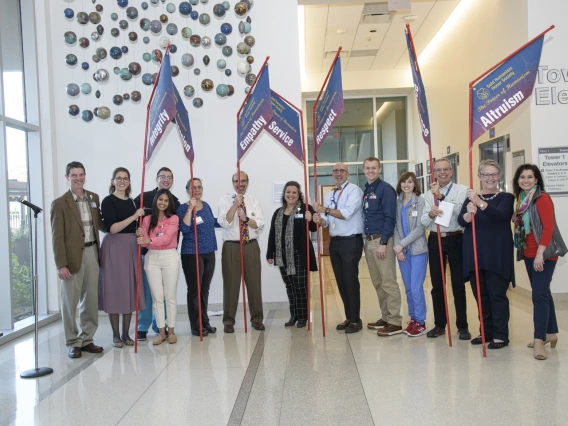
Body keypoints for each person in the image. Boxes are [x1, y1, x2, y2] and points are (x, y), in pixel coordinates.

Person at [50, 161, 105, 359]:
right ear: (67, 178)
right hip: (72, 257)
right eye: (74, 175)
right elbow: (57, 237)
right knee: (70, 301)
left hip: (92, 253)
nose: (78, 179)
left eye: (81, 175)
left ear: (85, 175)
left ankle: (87, 339)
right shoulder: (60, 203)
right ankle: (73, 342)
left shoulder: (93, 198)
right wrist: (61, 264)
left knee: (90, 300)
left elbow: (100, 224)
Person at [458, 160, 515, 349]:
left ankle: (500, 335)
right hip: (476, 253)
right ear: (479, 176)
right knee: (481, 296)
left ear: (499, 176)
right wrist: (468, 213)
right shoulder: (471, 198)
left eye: (494, 174)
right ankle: (486, 331)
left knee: (497, 295)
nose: (490, 178)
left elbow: (501, 216)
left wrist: (479, 202)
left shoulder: (506, 197)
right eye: (486, 174)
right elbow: (462, 220)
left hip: (497, 255)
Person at [512, 164, 567, 360]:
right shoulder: (520, 201)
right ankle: (551, 332)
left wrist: (540, 254)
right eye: (522, 177)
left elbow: (548, 227)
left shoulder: (542, 198)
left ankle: (538, 340)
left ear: (536, 180)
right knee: (543, 293)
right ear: (518, 180)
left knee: (538, 296)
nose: (525, 180)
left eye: (530, 177)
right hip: (528, 252)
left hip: (544, 253)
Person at [421, 158, 471, 340]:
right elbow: (424, 222)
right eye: (439, 170)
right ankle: (440, 324)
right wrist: (430, 214)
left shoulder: (461, 190)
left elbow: (460, 212)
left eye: (445, 169)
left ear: (451, 171)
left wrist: (442, 198)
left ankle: (462, 326)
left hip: (456, 238)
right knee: (437, 285)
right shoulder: (428, 195)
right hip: (436, 240)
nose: (442, 173)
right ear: (434, 172)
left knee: (458, 285)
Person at [313, 162, 365, 333]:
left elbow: (347, 214)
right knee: (341, 282)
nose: (338, 173)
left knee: (350, 281)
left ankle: (356, 320)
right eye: (335, 170)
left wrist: (324, 210)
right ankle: (349, 317)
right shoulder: (330, 194)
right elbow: (326, 220)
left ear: (347, 174)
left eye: (342, 170)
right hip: (335, 243)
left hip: (351, 242)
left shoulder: (354, 191)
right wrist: (318, 219)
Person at [99, 167, 146, 348]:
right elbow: (112, 228)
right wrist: (134, 217)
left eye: (125, 178)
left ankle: (126, 334)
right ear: (113, 181)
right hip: (114, 248)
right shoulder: (108, 201)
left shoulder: (132, 202)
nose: (122, 181)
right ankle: (115, 335)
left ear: (129, 181)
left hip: (131, 247)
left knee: (128, 290)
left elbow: (130, 227)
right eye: (118, 178)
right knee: (114, 290)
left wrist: (137, 229)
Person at [134, 167, 180, 341]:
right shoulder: (144, 203)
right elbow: (141, 229)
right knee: (153, 295)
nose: (166, 180)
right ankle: (150, 328)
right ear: (157, 178)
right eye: (163, 177)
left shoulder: (174, 208)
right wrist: (140, 235)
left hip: (168, 255)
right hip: (150, 256)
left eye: (169, 177)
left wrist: (149, 240)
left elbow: (169, 236)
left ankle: (168, 329)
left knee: (169, 296)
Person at [218, 171, 265, 333]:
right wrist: (234, 205)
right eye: (237, 181)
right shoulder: (224, 200)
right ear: (232, 183)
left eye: (243, 181)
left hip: (250, 245)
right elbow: (224, 222)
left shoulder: (253, 201)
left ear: (248, 182)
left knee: (254, 284)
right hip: (231, 246)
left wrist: (245, 218)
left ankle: (257, 319)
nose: (240, 184)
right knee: (231, 285)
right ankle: (228, 321)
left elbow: (259, 224)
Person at [267, 181, 317, 328]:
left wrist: (311, 218)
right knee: (290, 286)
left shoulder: (306, 209)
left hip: (300, 255)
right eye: (288, 192)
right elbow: (272, 234)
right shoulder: (278, 212)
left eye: (294, 192)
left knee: (301, 286)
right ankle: (294, 315)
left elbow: (314, 228)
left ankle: (303, 316)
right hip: (282, 256)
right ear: (284, 194)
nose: (291, 195)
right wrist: (270, 253)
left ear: (298, 194)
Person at [362, 157, 402, 337]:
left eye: (373, 168)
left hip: (381, 241)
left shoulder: (385, 189)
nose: (370, 171)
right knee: (378, 282)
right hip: (369, 241)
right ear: (364, 170)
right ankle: (385, 317)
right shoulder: (368, 189)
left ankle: (395, 321)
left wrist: (384, 242)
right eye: (367, 168)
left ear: (379, 169)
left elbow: (390, 218)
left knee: (388, 281)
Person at [178, 178, 220, 337]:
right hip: (192, 253)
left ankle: (205, 322)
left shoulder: (207, 205)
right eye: (193, 187)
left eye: (199, 187)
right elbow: (184, 228)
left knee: (204, 289)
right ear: (187, 190)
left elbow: (213, 223)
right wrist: (190, 209)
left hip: (209, 252)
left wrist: (228, 220)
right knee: (194, 290)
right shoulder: (182, 208)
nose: (197, 190)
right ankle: (196, 326)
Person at [393, 172, 428, 337]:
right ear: (400, 184)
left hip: (418, 250)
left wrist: (402, 244)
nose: (406, 185)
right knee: (408, 289)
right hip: (402, 252)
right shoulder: (398, 202)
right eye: (404, 182)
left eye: (410, 182)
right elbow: (396, 226)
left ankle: (421, 322)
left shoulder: (420, 202)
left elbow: (420, 228)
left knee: (416, 288)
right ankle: (413, 319)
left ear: (415, 184)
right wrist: (398, 248)